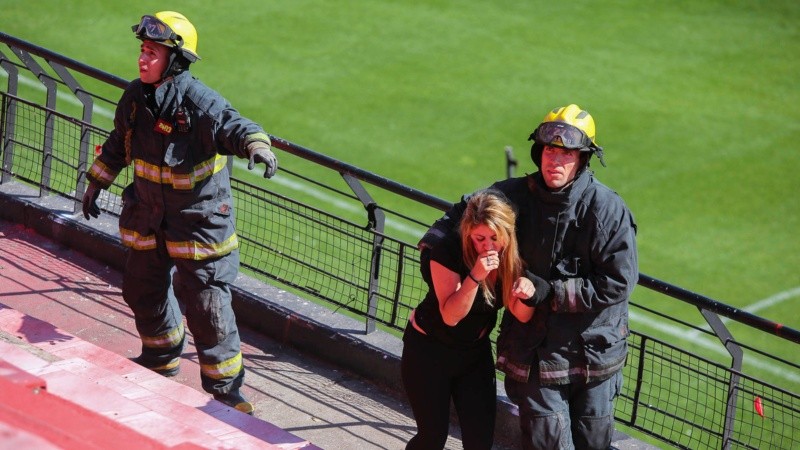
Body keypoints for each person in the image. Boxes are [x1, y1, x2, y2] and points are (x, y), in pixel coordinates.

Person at [81, 11, 278, 415]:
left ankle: (226, 390)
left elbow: (235, 125)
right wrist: (97, 180)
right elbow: (119, 142)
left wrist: (258, 146)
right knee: (142, 290)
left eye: (151, 53)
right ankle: (161, 357)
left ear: (175, 59)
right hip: (149, 218)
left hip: (198, 224)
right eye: (142, 51)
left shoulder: (200, 104)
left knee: (208, 308)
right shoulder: (135, 99)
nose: (141, 60)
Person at [419, 104, 638, 449]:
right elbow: (463, 214)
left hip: (594, 358)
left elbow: (618, 283)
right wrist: (437, 253)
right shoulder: (513, 196)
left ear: (582, 159)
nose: (556, 160)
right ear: (539, 152)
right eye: (551, 150)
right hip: (537, 355)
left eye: (567, 153)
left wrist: (549, 291)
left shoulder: (608, 211)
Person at [401, 190, 536, 450]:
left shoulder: (510, 259)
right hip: (429, 352)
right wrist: (476, 275)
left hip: (474, 354)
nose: (488, 246)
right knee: (432, 438)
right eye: (479, 238)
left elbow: (522, 314)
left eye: (495, 238)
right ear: (467, 233)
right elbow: (451, 316)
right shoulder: (447, 251)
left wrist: (528, 294)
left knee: (480, 442)